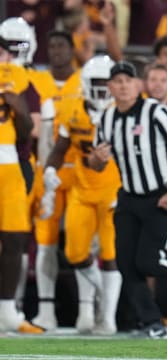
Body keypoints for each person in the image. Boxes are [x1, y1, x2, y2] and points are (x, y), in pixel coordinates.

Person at [88, 60, 167, 339]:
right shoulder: (106, 119)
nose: (122, 86)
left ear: (137, 85)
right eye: (117, 82)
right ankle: (152, 322)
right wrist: (95, 159)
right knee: (125, 264)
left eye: (127, 81)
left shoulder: (156, 111)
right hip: (129, 197)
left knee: (147, 263)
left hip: (160, 195)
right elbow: (95, 162)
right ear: (110, 87)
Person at [40, 54, 122, 335]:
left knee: (111, 253)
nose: (101, 88)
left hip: (114, 188)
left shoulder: (121, 109)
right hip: (82, 188)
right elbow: (60, 148)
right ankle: (103, 294)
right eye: (96, 83)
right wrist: (50, 169)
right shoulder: (73, 109)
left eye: (105, 82)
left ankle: (108, 318)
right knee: (75, 253)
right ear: (85, 84)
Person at [29, 30, 80, 331]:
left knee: (88, 244)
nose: (57, 50)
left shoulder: (86, 79)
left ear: (73, 49)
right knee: (44, 241)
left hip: (82, 172)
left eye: (62, 45)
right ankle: (44, 309)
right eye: (52, 45)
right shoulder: (36, 81)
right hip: (45, 168)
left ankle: (93, 309)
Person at [0, 36, 42, 334]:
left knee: (14, 240)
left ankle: (7, 311)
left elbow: (28, 133)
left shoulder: (16, 82)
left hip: (11, 166)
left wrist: (18, 106)